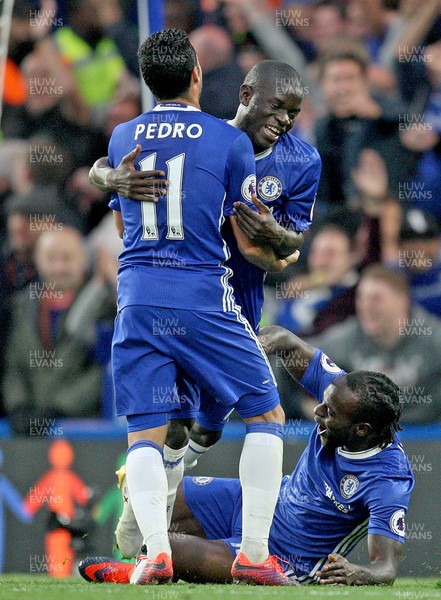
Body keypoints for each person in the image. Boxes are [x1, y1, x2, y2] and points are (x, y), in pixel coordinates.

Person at [89, 58, 321, 559]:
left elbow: (281, 253)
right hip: (201, 299)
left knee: (205, 429)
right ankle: (145, 532)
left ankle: (147, 529)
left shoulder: (303, 162)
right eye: (277, 108)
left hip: (235, 302)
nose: (284, 121)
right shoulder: (215, 139)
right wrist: (106, 175)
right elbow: (127, 188)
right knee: (177, 423)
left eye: (294, 113)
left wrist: (284, 239)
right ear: (245, 95)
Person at [78, 324, 414, 586]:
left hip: (287, 558)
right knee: (156, 494)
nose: (319, 411)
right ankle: (146, 557)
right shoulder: (342, 391)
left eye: (330, 413)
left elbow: (385, 566)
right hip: (256, 504)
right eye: (324, 402)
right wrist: (251, 346)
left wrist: (359, 573)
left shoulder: (388, 478)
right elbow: (283, 339)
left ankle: (134, 571)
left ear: (362, 430)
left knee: (170, 548)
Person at [3, 227, 116, 433]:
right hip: (25, 430)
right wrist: (18, 406)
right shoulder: (21, 304)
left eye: (67, 258)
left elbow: (103, 370)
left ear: (83, 259)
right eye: (51, 258)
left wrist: (58, 409)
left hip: (85, 431)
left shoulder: (104, 306)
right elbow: (13, 365)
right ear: (37, 259)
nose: (59, 267)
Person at [305, 264, 441, 424]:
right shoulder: (349, 337)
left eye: (376, 298)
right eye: (361, 297)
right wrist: (305, 405)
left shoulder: (432, 338)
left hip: (428, 437)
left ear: (403, 301)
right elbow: (295, 355)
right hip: (367, 439)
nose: (365, 306)